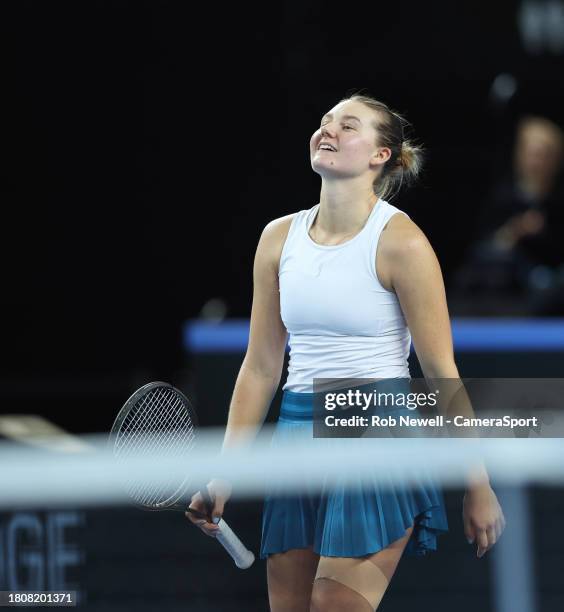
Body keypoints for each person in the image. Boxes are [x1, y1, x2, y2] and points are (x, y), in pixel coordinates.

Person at [187, 93, 506, 611]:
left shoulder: (403, 243)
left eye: (348, 125)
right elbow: (262, 366)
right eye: (324, 121)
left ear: (381, 155)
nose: (327, 130)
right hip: (297, 438)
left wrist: (478, 484)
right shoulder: (276, 239)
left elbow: (439, 371)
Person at [454, 115, 564, 306]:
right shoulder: (500, 198)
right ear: (519, 154)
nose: (536, 162)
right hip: (506, 296)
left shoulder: (558, 202)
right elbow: (480, 249)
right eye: (531, 153)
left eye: (543, 154)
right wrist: (515, 231)